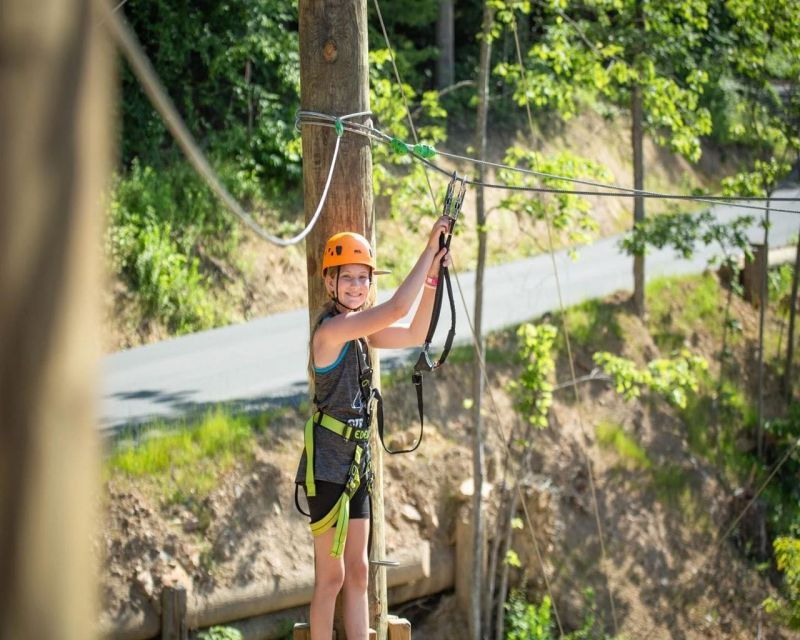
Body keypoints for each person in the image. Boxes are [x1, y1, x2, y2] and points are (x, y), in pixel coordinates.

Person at [295, 217, 452, 640]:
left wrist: (435, 269)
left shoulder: (362, 334)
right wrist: (426, 248)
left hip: (356, 465)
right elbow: (399, 308)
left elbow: (416, 329)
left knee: (359, 570)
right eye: (348, 279)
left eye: (364, 279)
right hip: (328, 466)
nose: (357, 287)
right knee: (331, 577)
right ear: (330, 283)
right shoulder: (333, 330)